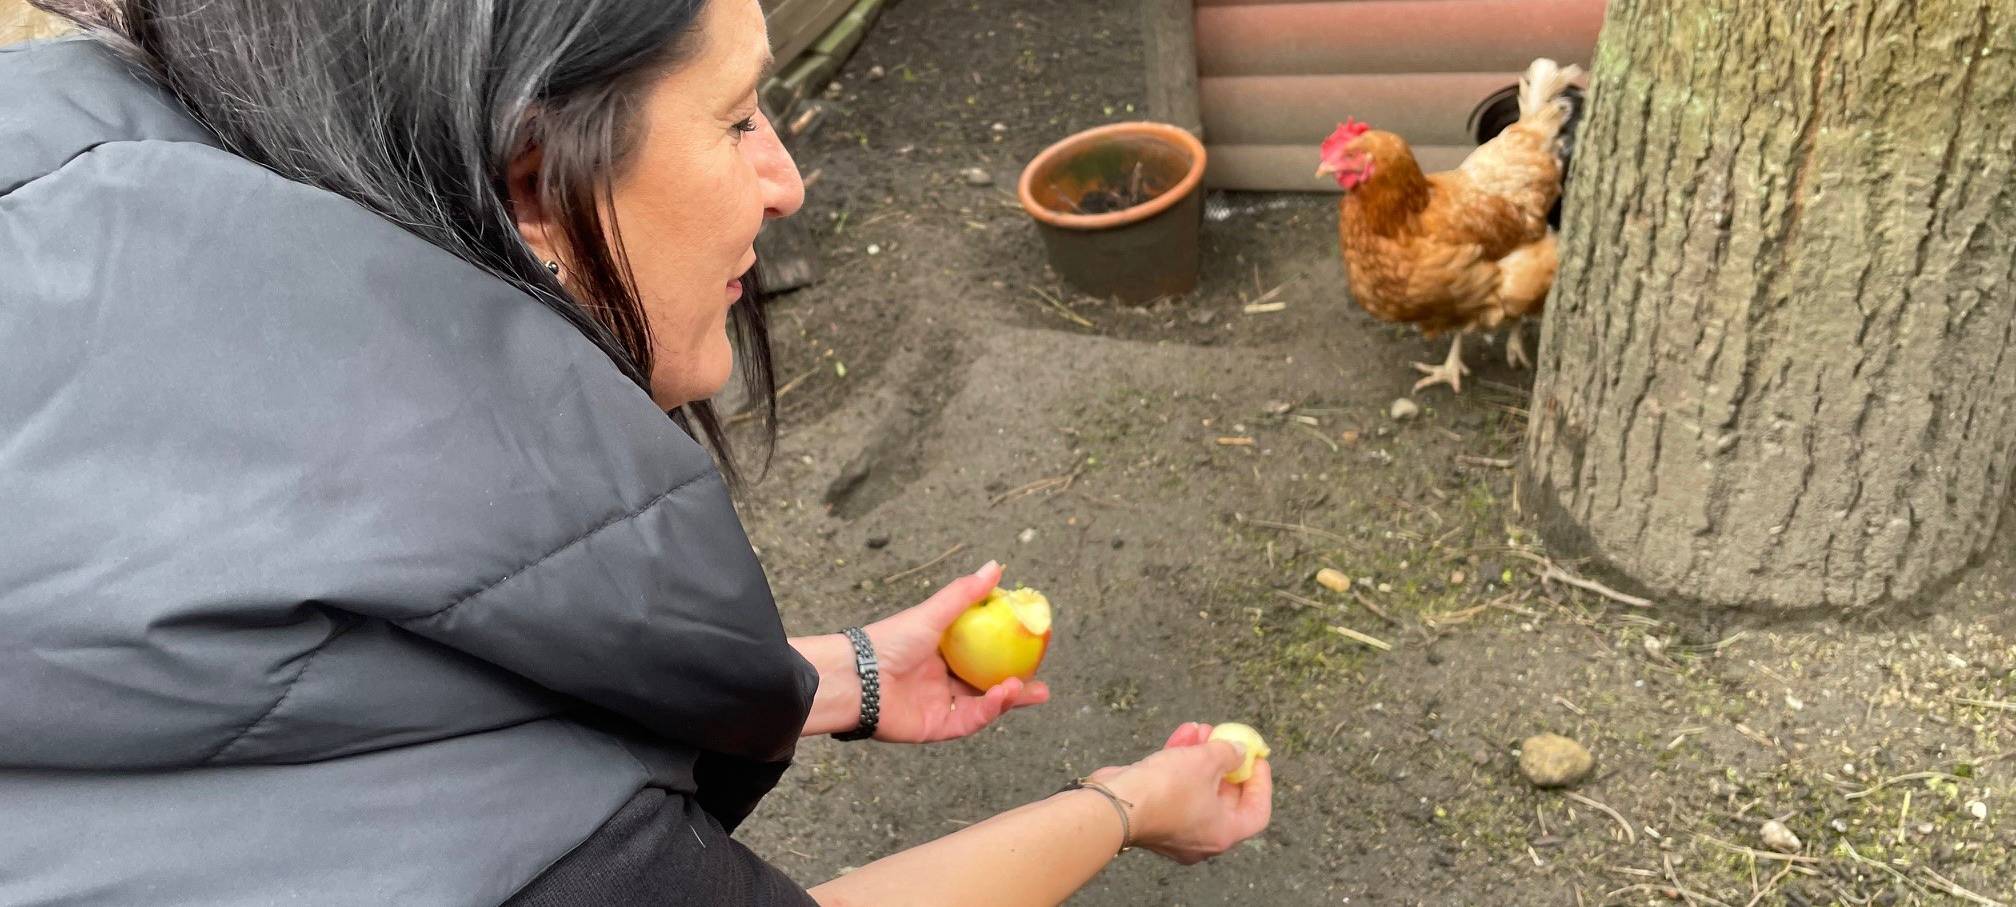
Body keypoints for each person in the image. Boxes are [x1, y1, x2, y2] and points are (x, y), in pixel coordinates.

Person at [0, 0, 1273, 904]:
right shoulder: (517, 855)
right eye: (735, 118)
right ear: (534, 179)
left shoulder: (77, 173)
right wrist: (1126, 805)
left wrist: (839, 680)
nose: (788, 180)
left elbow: (344, 674)